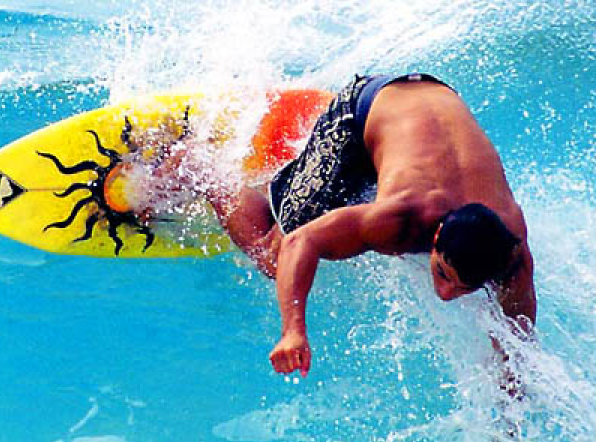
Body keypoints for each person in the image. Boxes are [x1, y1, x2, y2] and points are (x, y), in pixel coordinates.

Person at [208, 73, 536, 376]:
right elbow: (303, 243)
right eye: (442, 274)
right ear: (436, 236)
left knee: (334, 207)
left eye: (466, 287)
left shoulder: (511, 254)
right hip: (364, 108)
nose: (446, 294)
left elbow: (515, 357)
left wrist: (507, 429)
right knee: (276, 257)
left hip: (430, 102)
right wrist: (293, 331)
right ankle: (206, 171)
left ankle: (301, 175)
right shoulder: (401, 218)